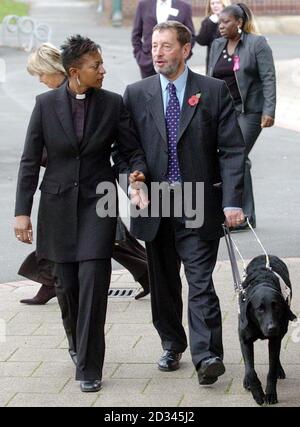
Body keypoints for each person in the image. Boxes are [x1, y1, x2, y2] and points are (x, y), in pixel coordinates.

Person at [14, 35, 147, 392]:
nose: (103, 71)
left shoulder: (113, 104)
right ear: (75, 71)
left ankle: (89, 366)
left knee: (93, 284)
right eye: (96, 66)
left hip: (97, 206)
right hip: (56, 209)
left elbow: (129, 150)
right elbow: (30, 161)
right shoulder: (44, 105)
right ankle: (76, 342)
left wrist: (135, 172)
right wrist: (21, 212)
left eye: (102, 64)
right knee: (67, 288)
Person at [124, 21, 245, 385]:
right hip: (155, 204)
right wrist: (137, 177)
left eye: (165, 46)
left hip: (199, 204)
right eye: (153, 46)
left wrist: (232, 201)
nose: (156, 53)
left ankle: (207, 355)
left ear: (186, 48)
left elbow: (233, 150)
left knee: (201, 281)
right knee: (163, 283)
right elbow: (128, 149)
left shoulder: (213, 90)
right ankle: (172, 344)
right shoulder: (135, 93)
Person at [208, 3, 276, 230]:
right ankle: (242, 213)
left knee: (236, 156)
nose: (221, 26)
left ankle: (243, 215)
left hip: (250, 112)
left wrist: (269, 110)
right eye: (219, 22)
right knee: (239, 161)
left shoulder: (257, 43)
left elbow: (268, 77)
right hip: (224, 112)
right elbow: (211, 79)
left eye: (226, 22)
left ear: (239, 22)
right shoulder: (217, 45)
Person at [132, 0, 195, 79]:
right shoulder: (143, 5)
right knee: (149, 90)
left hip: (174, 65)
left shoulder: (184, 7)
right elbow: (136, 35)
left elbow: (190, 36)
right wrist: (139, 56)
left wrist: (181, 56)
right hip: (147, 63)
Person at [195, 0, 231, 73]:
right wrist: (211, 23)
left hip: (229, 59)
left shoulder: (231, 20)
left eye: (218, 3)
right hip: (212, 62)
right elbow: (201, 41)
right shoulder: (208, 21)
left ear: (224, 4)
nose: (215, 5)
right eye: (212, 3)